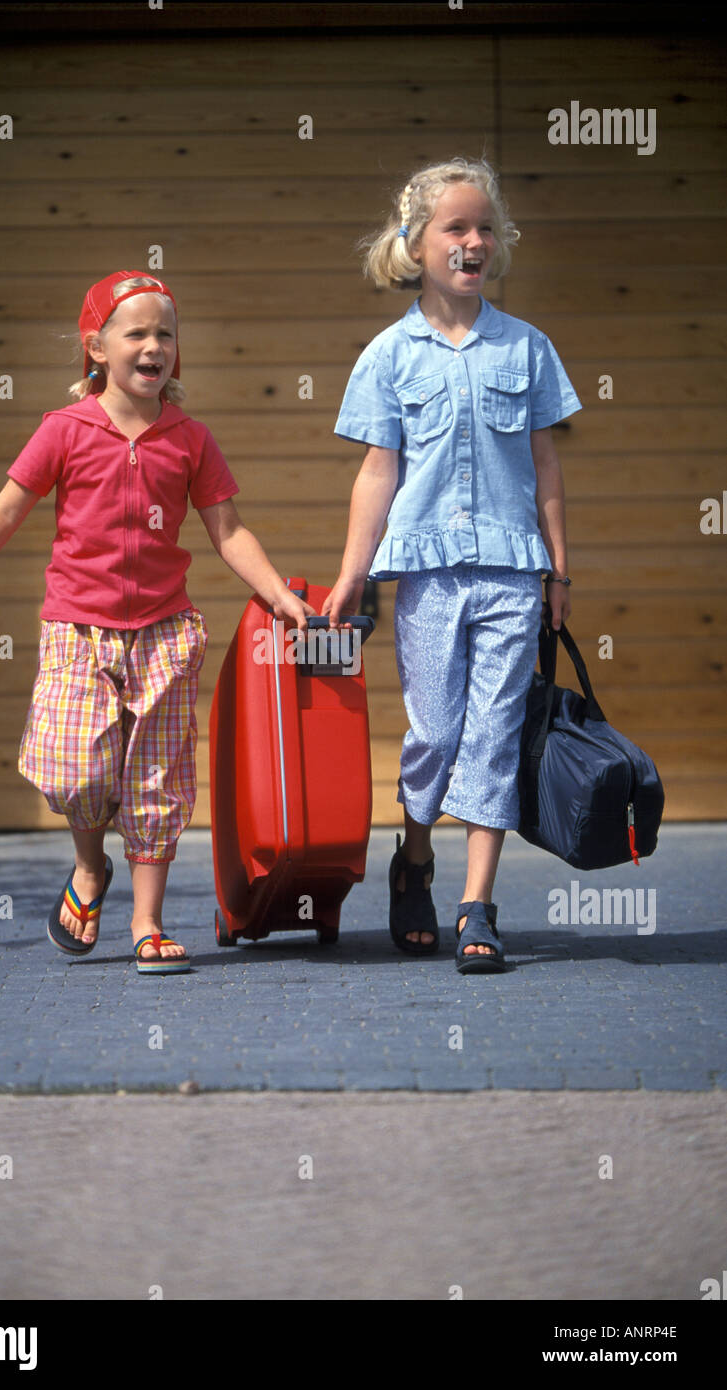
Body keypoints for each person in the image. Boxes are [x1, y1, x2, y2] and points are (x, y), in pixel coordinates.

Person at [0, 270, 312, 974]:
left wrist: (279, 594)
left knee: (155, 780)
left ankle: (147, 920)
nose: (154, 345)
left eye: (165, 333)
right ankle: (89, 868)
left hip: (166, 634)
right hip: (78, 631)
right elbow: (6, 508)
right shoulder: (64, 430)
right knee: (74, 773)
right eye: (136, 332)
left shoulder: (188, 439)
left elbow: (227, 530)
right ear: (96, 347)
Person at [323, 159, 581, 973]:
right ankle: (415, 858)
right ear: (416, 243)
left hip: (510, 570)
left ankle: (477, 907)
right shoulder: (388, 354)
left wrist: (558, 572)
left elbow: (544, 466)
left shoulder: (528, 348)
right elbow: (376, 473)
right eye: (454, 228)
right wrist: (349, 575)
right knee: (434, 735)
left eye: (483, 229)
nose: (472, 242)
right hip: (426, 573)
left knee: (494, 736)